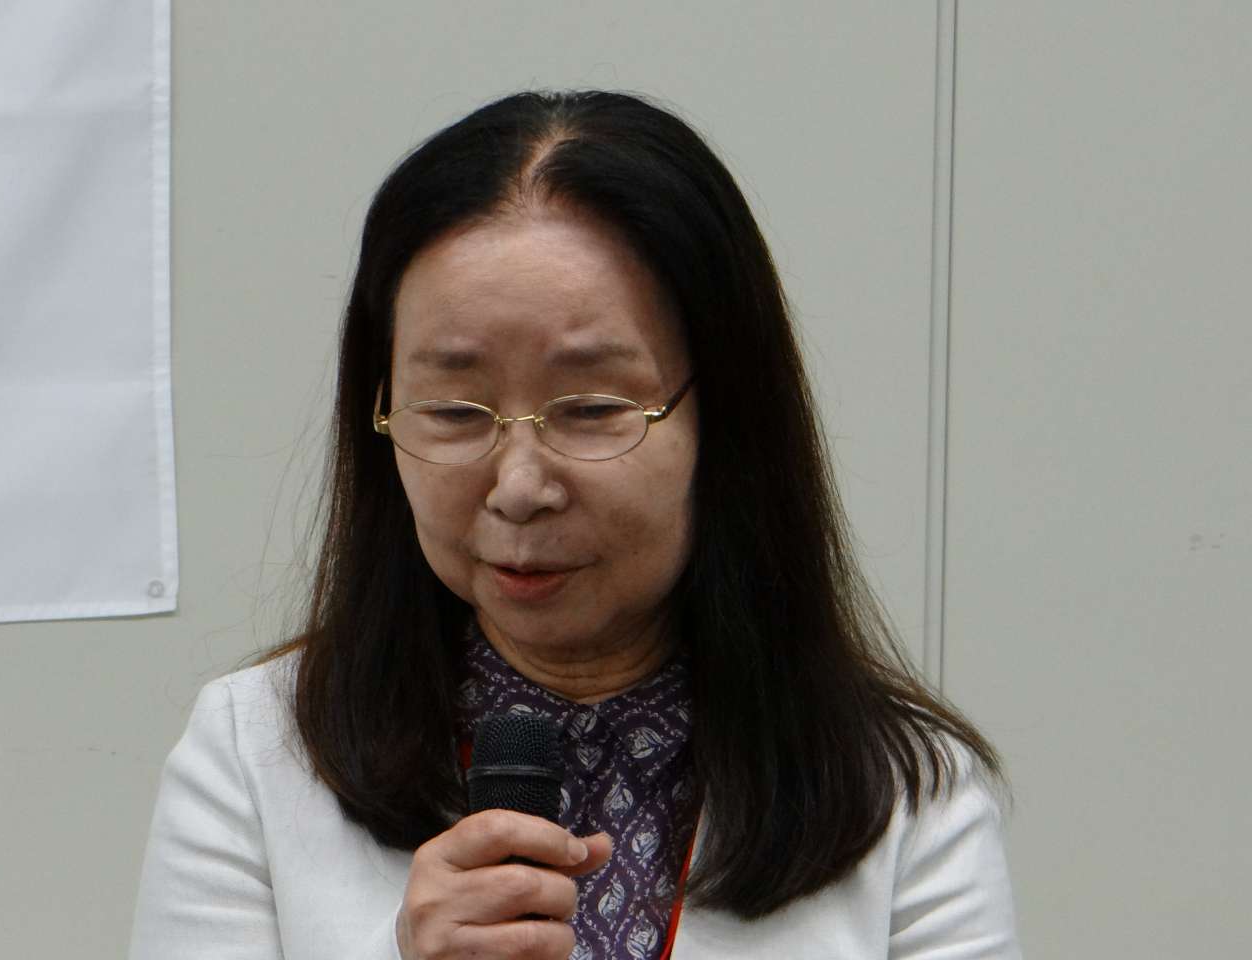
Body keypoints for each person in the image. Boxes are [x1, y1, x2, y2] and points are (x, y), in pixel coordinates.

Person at [129, 90, 1022, 960]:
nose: (519, 488)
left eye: (592, 408)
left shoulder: (905, 792)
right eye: (454, 411)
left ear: (727, 421)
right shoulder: (257, 752)